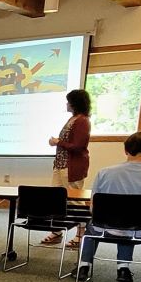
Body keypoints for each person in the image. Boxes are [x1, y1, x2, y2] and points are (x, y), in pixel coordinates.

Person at [76, 131, 141, 282]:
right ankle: (123, 269)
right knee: (129, 224)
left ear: (125, 150)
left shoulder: (103, 173)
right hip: (138, 232)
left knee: (94, 225)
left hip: (105, 229)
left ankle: (84, 266)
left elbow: (93, 210)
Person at [43, 89, 92, 248]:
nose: (66, 104)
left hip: (72, 167)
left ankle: (81, 233)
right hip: (60, 165)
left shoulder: (83, 121)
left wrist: (58, 142)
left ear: (75, 103)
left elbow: (78, 146)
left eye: (68, 101)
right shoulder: (73, 119)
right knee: (56, 200)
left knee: (74, 201)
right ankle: (57, 232)